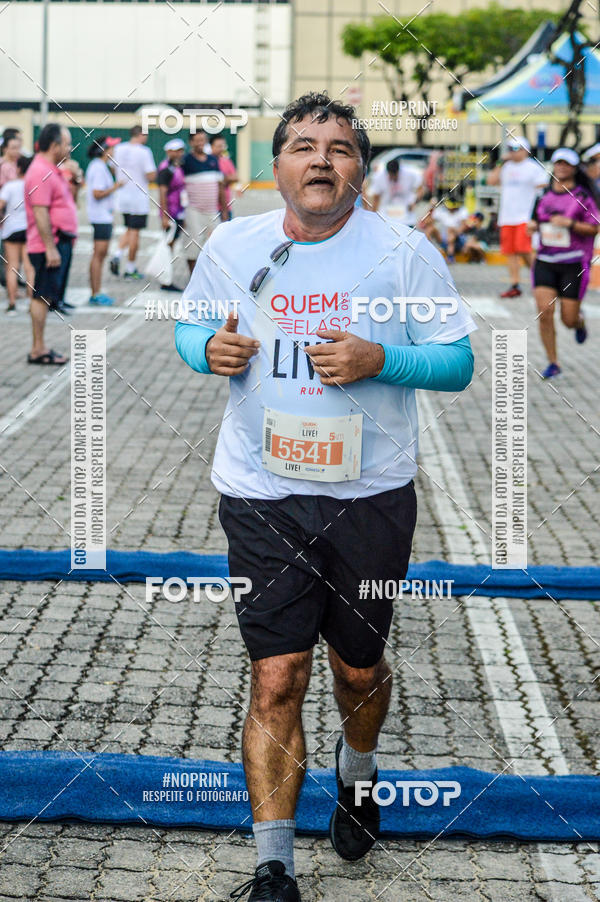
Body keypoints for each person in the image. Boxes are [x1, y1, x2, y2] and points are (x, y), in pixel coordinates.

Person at [175, 91, 476, 901]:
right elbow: (188, 328)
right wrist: (208, 347)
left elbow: (456, 362)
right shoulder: (234, 244)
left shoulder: (403, 250)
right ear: (276, 166)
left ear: (359, 172)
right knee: (276, 677)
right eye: (303, 146)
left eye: (338, 148)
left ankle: (359, 773)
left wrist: (384, 358)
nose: (319, 159)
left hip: (369, 496)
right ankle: (274, 864)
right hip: (261, 492)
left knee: (356, 670)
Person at [529, 147, 600, 379]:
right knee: (544, 311)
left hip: (573, 264)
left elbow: (594, 227)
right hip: (545, 261)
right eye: (558, 163)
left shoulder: (583, 196)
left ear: (573, 168)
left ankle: (579, 323)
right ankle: (553, 362)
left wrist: (570, 224)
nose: (561, 167)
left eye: (566, 164)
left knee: (567, 319)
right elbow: (534, 221)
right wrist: (533, 226)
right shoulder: (542, 195)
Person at [24, 123, 77, 365]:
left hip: (57, 242)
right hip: (50, 244)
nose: (69, 148)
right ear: (54, 145)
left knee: (45, 296)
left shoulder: (50, 169)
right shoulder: (40, 172)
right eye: (66, 143)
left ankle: (40, 346)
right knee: (41, 296)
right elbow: (40, 212)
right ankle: (38, 349)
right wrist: (50, 247)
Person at [486, 136, 548, 298]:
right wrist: (500, 162)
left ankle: (542, 279)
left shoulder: (533, 167)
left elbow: (544, 186)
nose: (512, 153)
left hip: (525, 216)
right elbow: (491, 181)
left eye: (516, 149)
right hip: (507, 217)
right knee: (510, 252)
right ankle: (515, 285)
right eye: (510, 149)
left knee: (525, 250)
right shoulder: (506, 167)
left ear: (525, 150)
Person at [109, 124, 156, 280]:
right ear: (140, 135)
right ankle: (130, 268)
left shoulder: (119, 148)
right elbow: (150, 175)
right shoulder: (144, 151)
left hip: (123, 196)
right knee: (135, 232)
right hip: (138, 197)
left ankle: (117, 254)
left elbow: (111, 168)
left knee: (129, 228)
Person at [181, 129, 226, 273]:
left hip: (212, 211)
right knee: (193, 246)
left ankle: (209, 277)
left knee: (216, 245)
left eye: (203, 139)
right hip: (194, 210)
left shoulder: (213, 160)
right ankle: (192, 278)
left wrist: (224, 211)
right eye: (197, 140)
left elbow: (220, 187)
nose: (201, 143)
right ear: (191, 143)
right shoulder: (186, 161)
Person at [85, 136, 124, 306]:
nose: (114, 151)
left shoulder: (101, 166)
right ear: (104, 150)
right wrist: (115, 187)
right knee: (98, 255)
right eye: (111, 148)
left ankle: (96, 291)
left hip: (102, 216)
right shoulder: (99, 167)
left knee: (100, 255)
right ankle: (95, 292)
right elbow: (97, 193)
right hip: (100, 217)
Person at [0, 154, 34, 314]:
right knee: (29, 267)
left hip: (11, 229)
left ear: (18, 168)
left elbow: (1, 205)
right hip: (28, 229)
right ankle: (30, 303)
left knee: (12, 266)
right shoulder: (33, 186)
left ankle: (12, 303)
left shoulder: (10, 186)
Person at [157, 137, 186, 292]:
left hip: (179, 211)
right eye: (176, 151)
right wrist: (164, 216)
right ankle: (165, 279)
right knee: (168, 246)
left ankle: (167, 276)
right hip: (171, 213)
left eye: (181, 150)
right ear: (169, 152)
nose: (179, 153)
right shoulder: (166, 169)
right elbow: (162, 193)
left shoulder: (176, 167)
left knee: (172, 245)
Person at [368, 158, 423, 225]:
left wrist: (414, 201)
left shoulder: (409, 174)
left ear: (398, 171)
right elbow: (376, 198)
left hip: (406, 214)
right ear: (387, 173)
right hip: (386, 213)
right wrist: (373, 217)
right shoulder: (379, 177)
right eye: (391, 175)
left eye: (395, 175)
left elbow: (420, 187)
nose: (393, 177)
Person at [421, 197, 469, 262]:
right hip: (444, 239)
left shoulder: (462, 211)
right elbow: (426, 222)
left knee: (450, 232)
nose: (450, 209)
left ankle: (450, 257)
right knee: (430, 229)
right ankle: (425, 252)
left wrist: (454, 231)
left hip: (458, 240)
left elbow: (464, 226)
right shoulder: (442, 211)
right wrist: (431, 207)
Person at [209, 132, 238, 220]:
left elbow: (235, 177)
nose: (221, 149)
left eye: (223, 146)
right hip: (210, 209)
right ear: (211, 146)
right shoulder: (206, 162)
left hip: (226, 207)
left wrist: (222, 179)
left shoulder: (226, 161)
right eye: (218, 146)